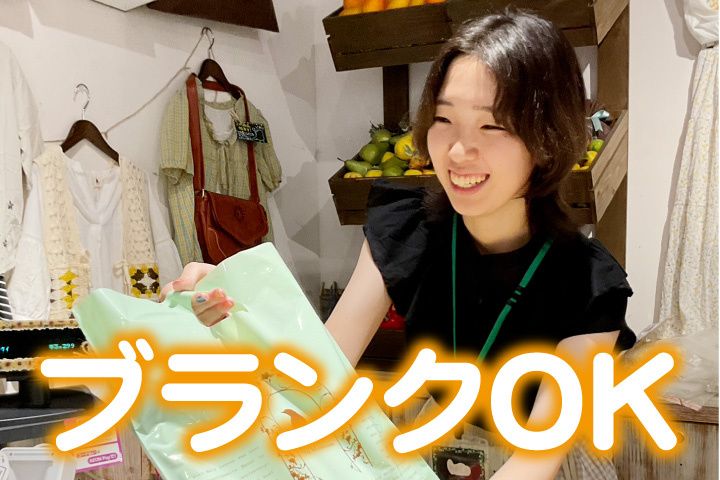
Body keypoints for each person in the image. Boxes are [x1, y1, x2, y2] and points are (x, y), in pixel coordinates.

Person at [160, 9, 636, 479]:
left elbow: (538, 459)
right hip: (442, 447)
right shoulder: (409, 229)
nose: (457, 151)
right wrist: (234, 306)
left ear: (548, 140)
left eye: (492, 126)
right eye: (444, 119)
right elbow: (321, 370)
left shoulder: (590, 282)